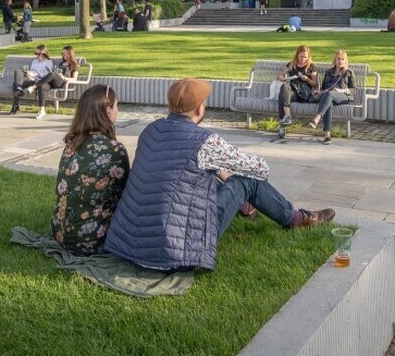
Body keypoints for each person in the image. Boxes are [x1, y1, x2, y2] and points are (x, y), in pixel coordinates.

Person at [104, 78, 336, 272]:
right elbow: (260, 168)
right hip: (176, 251)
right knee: (246, 181)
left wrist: (218, 169)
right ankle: (296, 219)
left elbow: (175, 172)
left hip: (129, 245)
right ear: (199, 109)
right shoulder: (206, 142)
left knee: (202, 174)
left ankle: (245, 206)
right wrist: (225, 170)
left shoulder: (151, 131)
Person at [51, 84, 130, 255]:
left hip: (60, 233)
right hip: (92, 240)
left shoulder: (71, 144)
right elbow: (124, 194)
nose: (118, 110)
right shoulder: (115, 149)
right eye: (116, 105)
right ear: (108, 110)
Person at [308, 50, 355, 144]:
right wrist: (319, 91)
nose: (340, 61)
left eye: (342, 59)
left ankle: (317, 117)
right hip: (329, 96)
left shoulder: (348, 72)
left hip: (343, 97)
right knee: (329, 101)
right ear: (334, 60)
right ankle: (327, 136)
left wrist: (342, 90)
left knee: (329, 94)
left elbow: (354, 90)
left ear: (345, 61)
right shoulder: (329, 72)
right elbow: (324, 87)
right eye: (338, 59)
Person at [275, 44, 319, 138]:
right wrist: (281, 77)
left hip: (304, 93)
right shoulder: (292, 64)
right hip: (293, 91)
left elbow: (315, 84)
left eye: (305, 57)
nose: (303, 59)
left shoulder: (311, 66)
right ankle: (287, 115)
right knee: (284, 88)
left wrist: (307, 79)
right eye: (301, 56)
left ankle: (282, 126)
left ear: (308, 56)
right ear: (297, 55)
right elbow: (280, 75)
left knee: (282, 96)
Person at [30, 45, 82, 117]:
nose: (64, 55)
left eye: (66, 53)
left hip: (63, 82)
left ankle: (35, 86)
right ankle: (42, 110)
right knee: (42, 86)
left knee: (52, 74)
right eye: (63, 53)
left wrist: (63, 77)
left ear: (70, 54)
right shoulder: (61, 63)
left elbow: (74, 79)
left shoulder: (74, 65)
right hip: (54, 81)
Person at [10, 44, 56, 117]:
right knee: (18, 73)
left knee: (16, 83)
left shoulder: (48, 62)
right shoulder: (35, 61)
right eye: (36, 53)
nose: (37, 55)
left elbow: (47, 75)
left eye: (39, 54)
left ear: (44, 53)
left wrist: (35, 74)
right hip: (31, 79)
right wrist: (27, 73)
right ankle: (19, 91)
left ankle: (16, 105)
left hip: (40, 81)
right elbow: (32, 70)